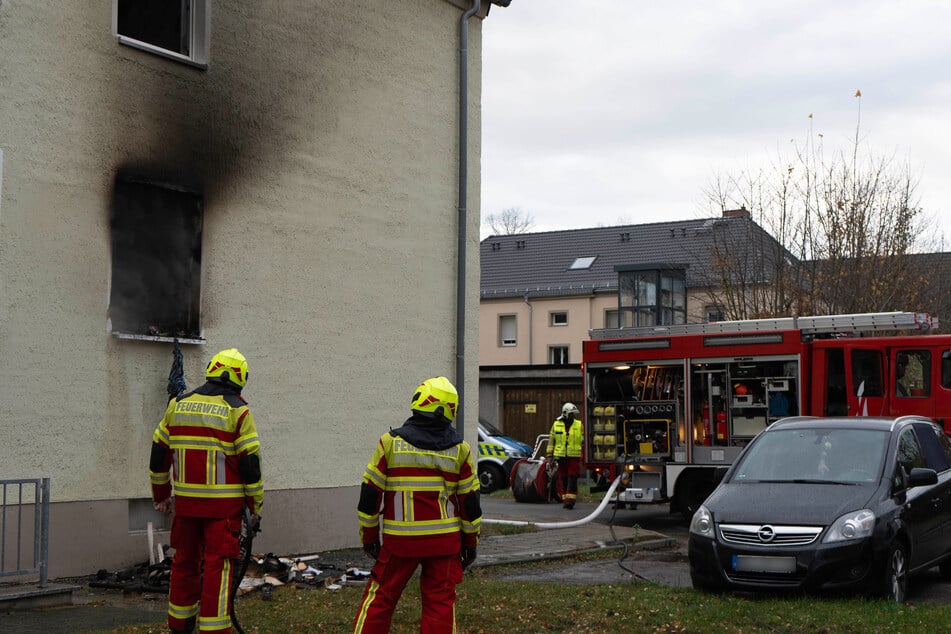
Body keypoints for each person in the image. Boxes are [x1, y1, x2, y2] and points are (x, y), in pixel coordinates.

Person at [353, 376, 482, 634]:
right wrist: (470, 543)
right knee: (440, 606)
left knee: (380, 601)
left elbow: (370, 495)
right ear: (450, 410)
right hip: (444, 545)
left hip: (400, 542)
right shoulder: (462, 450)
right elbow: (470, 504)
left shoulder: (390, 443)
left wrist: (369, 537)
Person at [149, 348, 264, 634]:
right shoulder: (238, 411)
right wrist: (255, 507)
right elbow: (250, 466)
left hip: (186, 508)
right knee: (218, 570)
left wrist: (161, 493)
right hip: (222, 512)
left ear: (212, 369)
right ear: (241, 378)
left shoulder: (178, 404)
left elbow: (158, 453)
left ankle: (179, 625)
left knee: (184, 564)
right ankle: (214, 630)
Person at [547, 402, 584, 509]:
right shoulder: (556, 425)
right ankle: (565, 498)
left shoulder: (579, 424)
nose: (573, 416)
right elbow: (551, 441)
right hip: (560, 456)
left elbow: (583, 440)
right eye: (571, 414)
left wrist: (583, 453)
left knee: (572, 477)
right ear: (566, 413)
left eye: (574, 414)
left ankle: (570, 500)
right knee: (563, 478)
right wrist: (550, 456)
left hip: (574, 457)